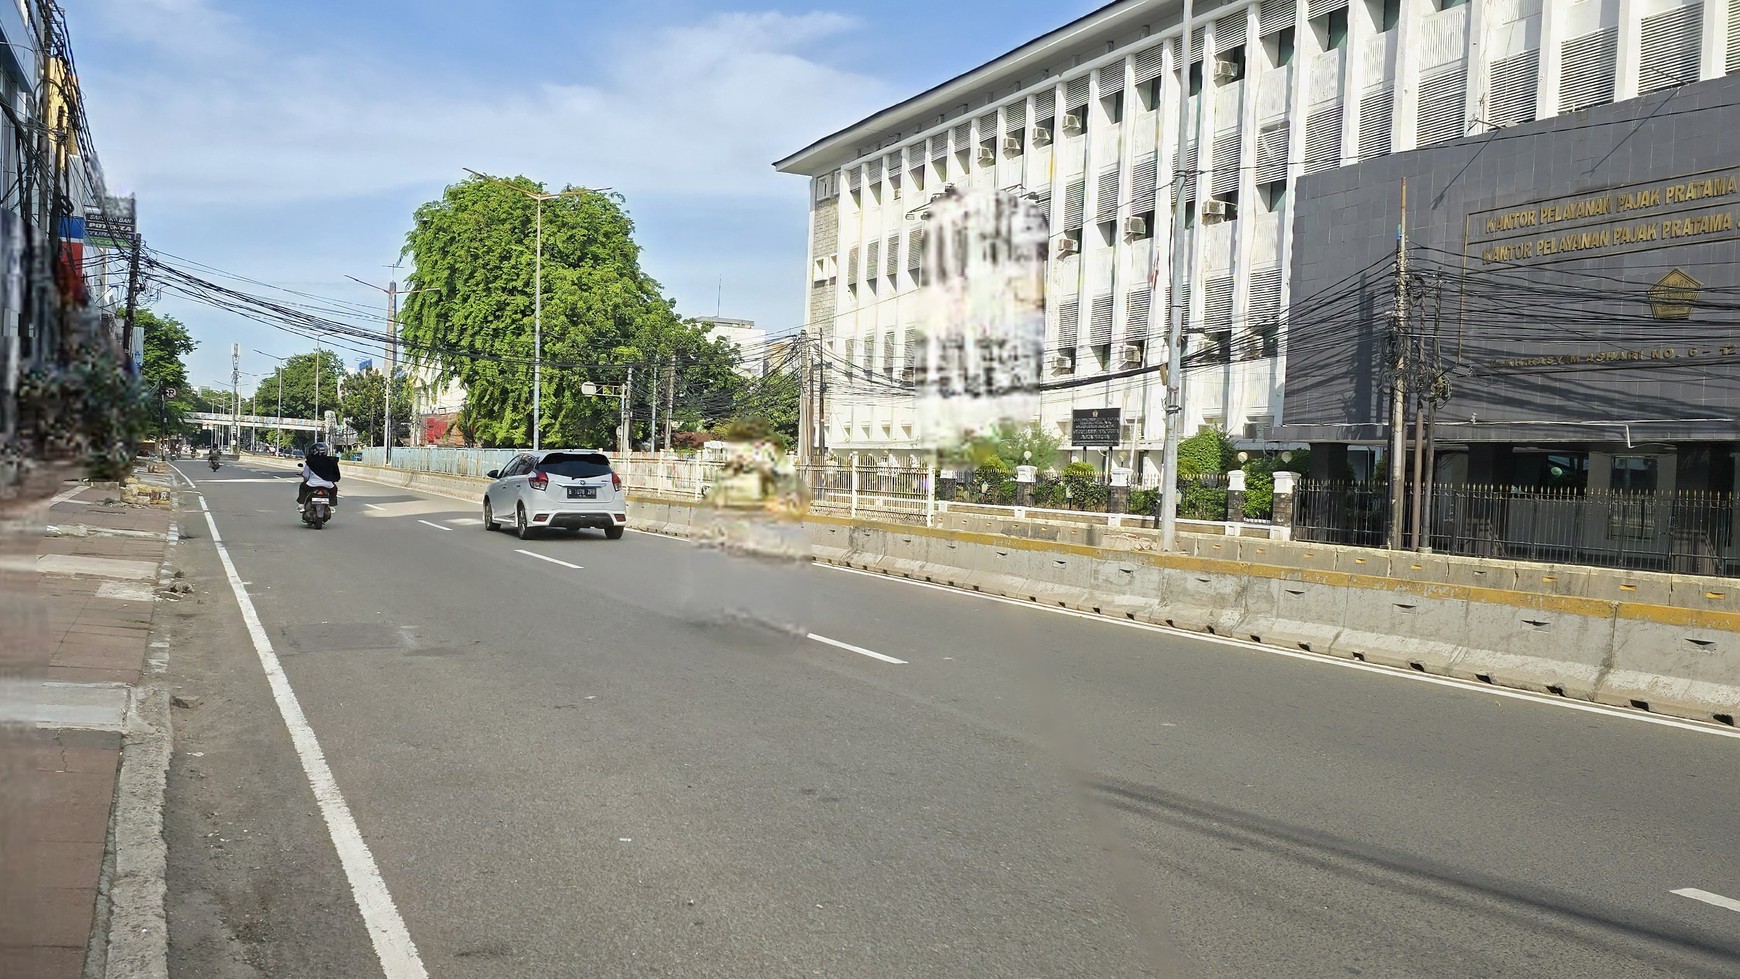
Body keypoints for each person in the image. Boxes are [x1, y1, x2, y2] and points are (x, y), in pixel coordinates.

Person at [297, 442, 342, 510]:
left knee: (302, 487)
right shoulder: (331, 461)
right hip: (328, 485)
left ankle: (301, 505)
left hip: (312, 484)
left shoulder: (310, 461)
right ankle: (331, 506)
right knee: (334, 489)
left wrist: (306, 479)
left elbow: (306, 475)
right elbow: (336, 475)